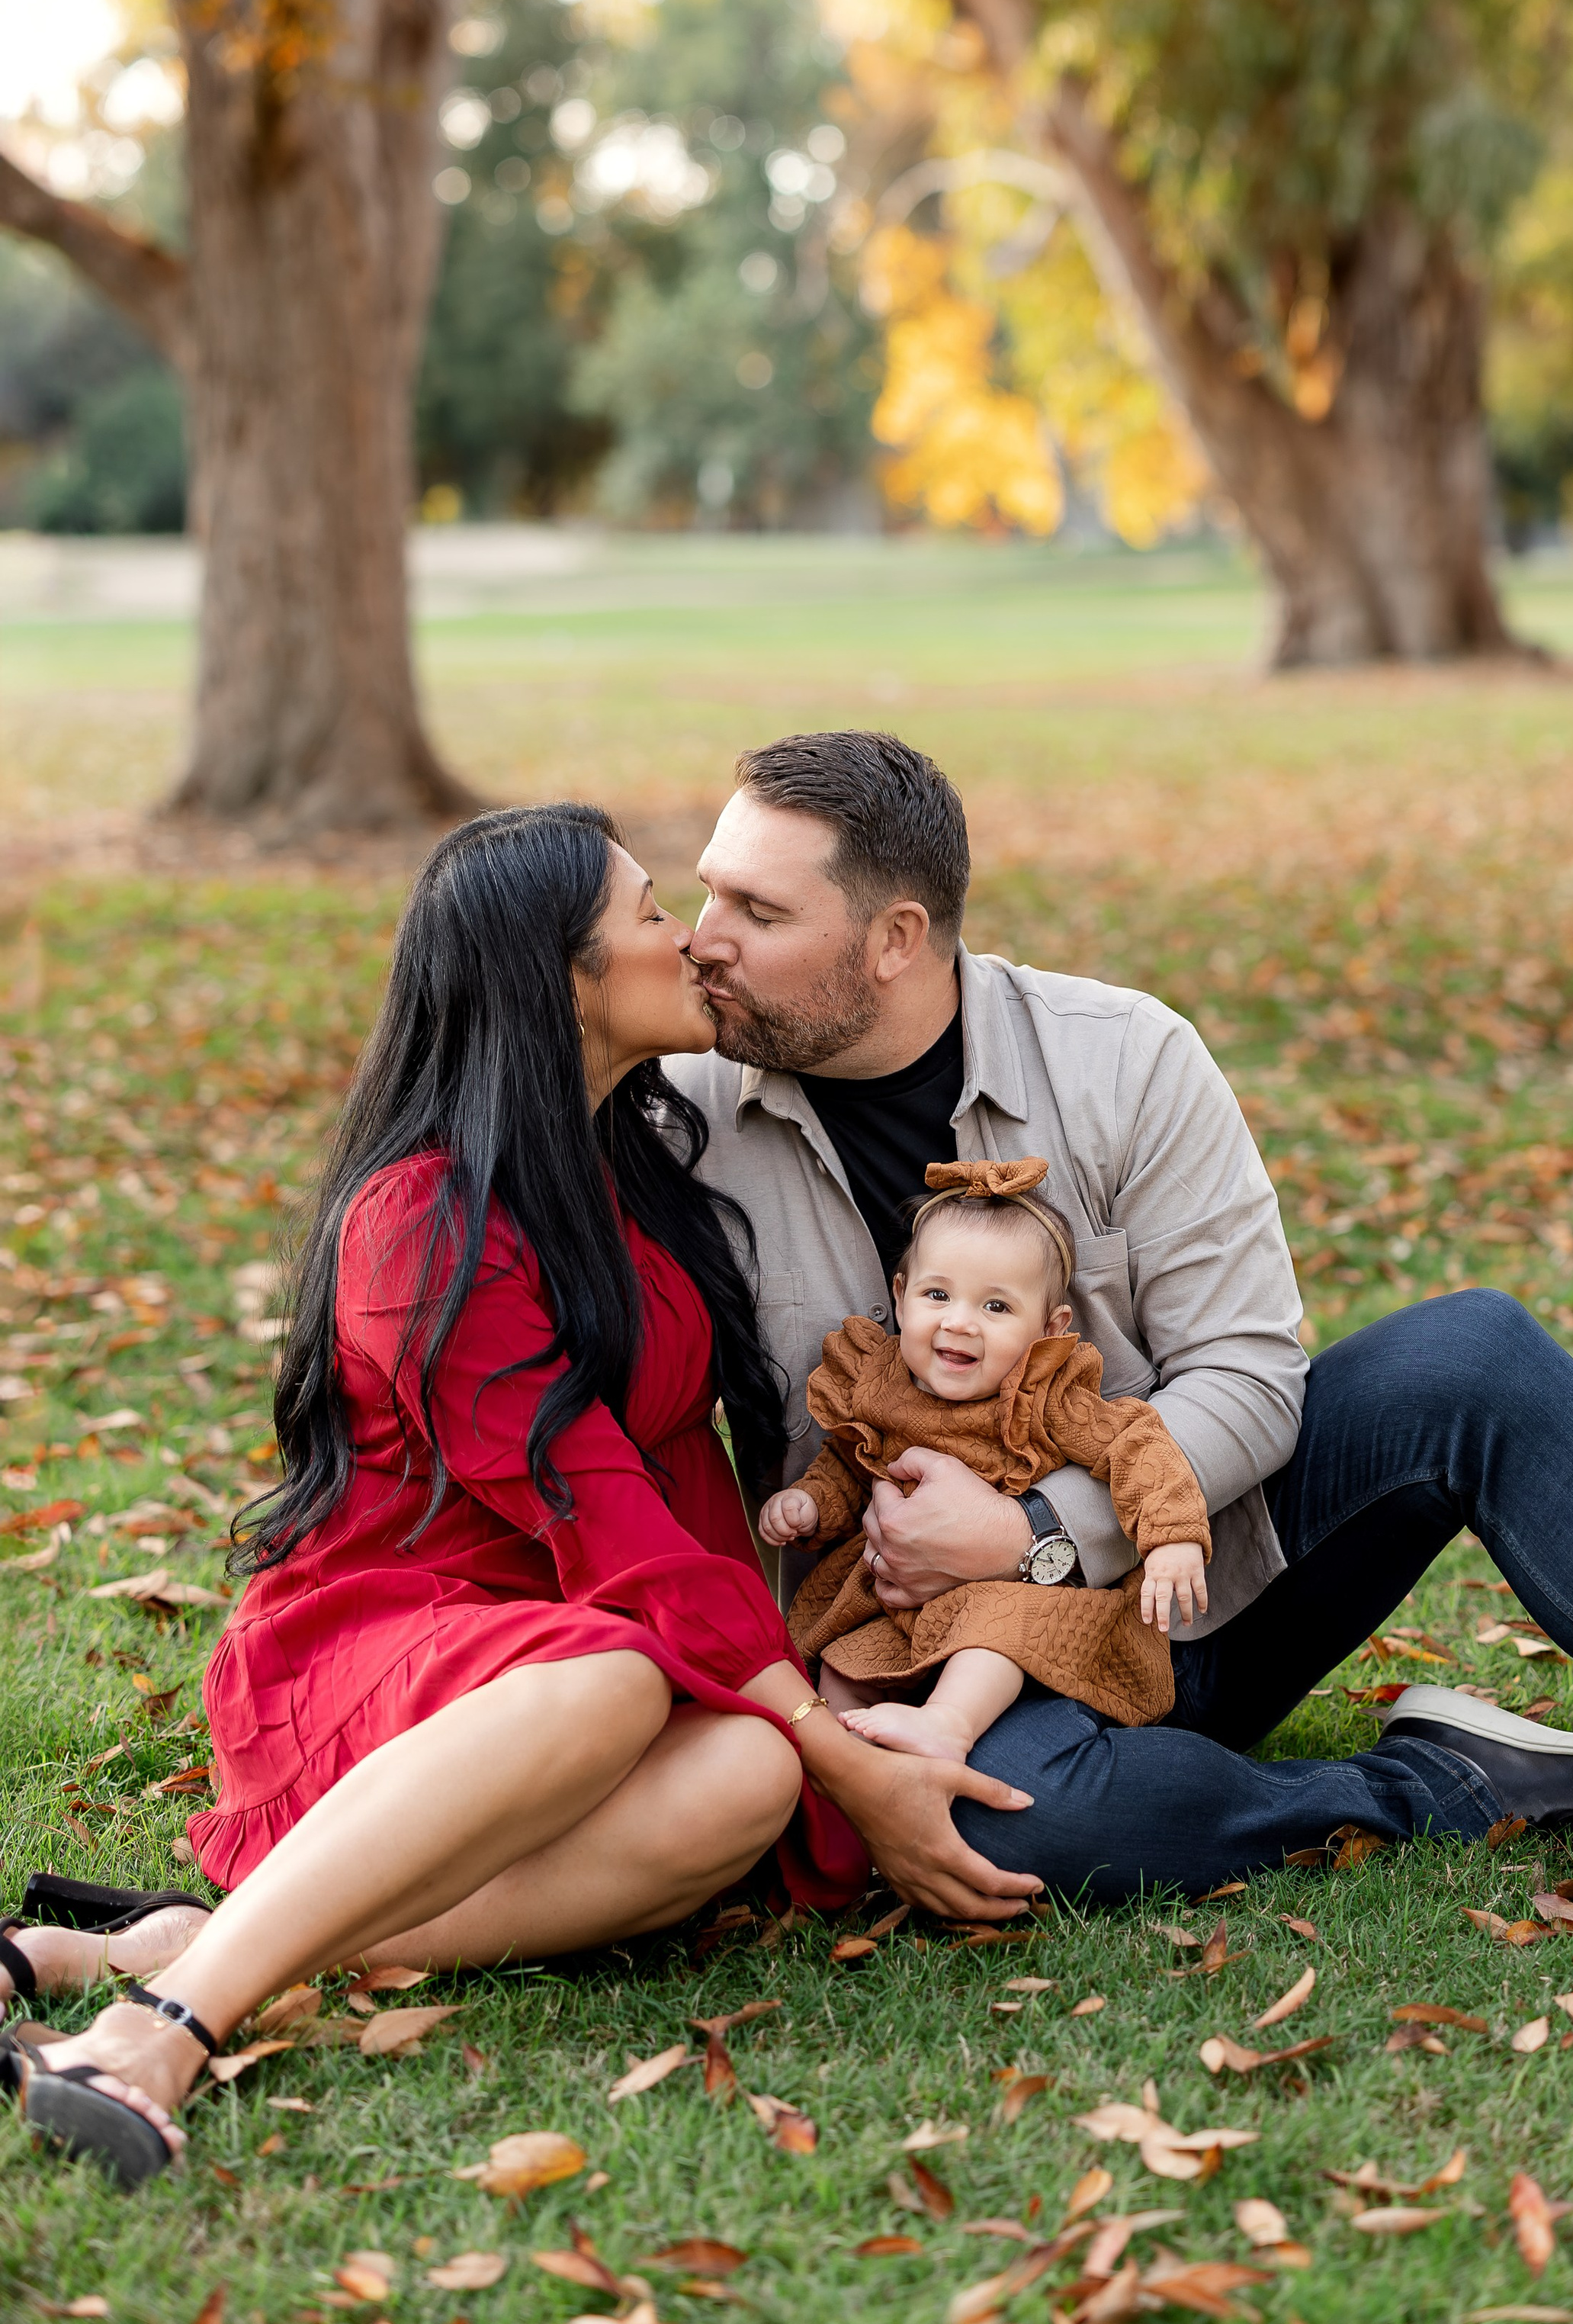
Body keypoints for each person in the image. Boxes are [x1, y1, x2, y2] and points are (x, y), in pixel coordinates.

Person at [670, 728, 1573, 2013]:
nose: (702, 934)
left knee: (1476, 1356)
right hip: (932, 1652)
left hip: (1191, 1593)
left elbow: (1244, 1378)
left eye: (755, 908)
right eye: (707, 888)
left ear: (896, 939)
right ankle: (1453, 1782)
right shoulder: (678, 1118)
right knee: (1008, 1830)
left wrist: (1032, 1532)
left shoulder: (1124, 1056)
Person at [1, 803, 1037, 2191]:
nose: (691, 937)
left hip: (581, 1648)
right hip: (383, 1649)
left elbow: (681, 1496)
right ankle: (157, 2028)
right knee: (620, 1677)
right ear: (562, 974)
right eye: (652, 909)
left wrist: (803, 1712)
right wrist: (847, 1752)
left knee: (747, 1773)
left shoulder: (632, 1174)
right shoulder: (420, 1223)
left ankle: (175, 1939)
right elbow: (605, 1524)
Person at [759, 1156, 1211, 1761]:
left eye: (996, 1307)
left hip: (1009, 1593)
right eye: (938, 1294)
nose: (960, 1322)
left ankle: (949, 1723)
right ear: (901, 1296)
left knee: (991, 1635)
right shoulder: (878, 1384)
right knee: (845, 1663)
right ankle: (838, 1767)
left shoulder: (1044, 1398)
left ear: (1048, 1326)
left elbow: (1138, 1445)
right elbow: (849, 1464)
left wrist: (1172, 1537)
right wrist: (811, 1503)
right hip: (893, 1599)